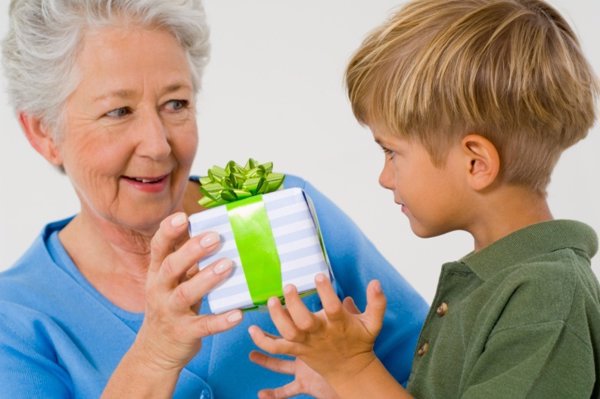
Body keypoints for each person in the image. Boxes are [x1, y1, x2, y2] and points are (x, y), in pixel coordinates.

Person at [0, 0, 428, 398]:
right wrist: (153, 356)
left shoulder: (282, 210)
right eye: (119, 111)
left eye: (175, 103)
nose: (158, 145)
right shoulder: (16, 319)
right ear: (43, 132)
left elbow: (444, 371)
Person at [249, 0, 600, 398]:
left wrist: (352, 367)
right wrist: (342, 385)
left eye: (392, 152)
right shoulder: (502, 281)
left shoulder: (545, 297)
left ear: (475, 162)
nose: (384, 178)